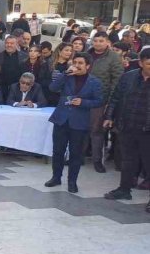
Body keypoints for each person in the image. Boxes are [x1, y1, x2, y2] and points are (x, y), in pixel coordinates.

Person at [45, 53, 103, 193]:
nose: (77, 65)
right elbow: (52, 88)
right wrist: (65, 74)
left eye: (80, 63)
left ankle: (72, 182)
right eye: (75, 62)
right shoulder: (66, 77)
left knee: (76, 153)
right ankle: (56, 177)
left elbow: (99, 101)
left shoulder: (95, 82)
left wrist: (83, 102)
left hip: (79, 122)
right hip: (61, 119)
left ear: (87, 66)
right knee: (58, 151)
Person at [103, 49, 150, 212]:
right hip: (127, 126)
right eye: (149, 63)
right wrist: (109, 116)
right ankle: (124, 189)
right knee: (127, 160)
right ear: (141, 62)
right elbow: (115, 97)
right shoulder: (128, 77)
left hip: (147, 130)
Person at [85, 31, 123, 173]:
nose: (98, 43)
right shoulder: (86, 54)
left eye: (101, 41)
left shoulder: (113, 57)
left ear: (107, 42)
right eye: (95, 41)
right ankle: (78, 157)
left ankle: (97, 161)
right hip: (83, 99)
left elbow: (117, 81)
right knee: (80, 129)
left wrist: (110, 101)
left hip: (101, 100)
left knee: (97, 131)